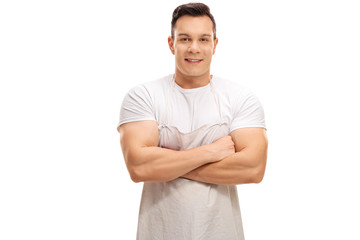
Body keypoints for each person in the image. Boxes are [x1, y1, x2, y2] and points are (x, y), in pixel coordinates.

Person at [117, 2, 268, 240]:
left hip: (221, 232)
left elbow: (253, 169)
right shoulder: (143, 95)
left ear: (215, 45)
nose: (194, 48)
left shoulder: (240, 98)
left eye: (204, 39)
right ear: (171, 43)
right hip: (160, 232)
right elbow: (139, 167)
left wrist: (168, 163)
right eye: (185, 39)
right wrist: (212, 151)